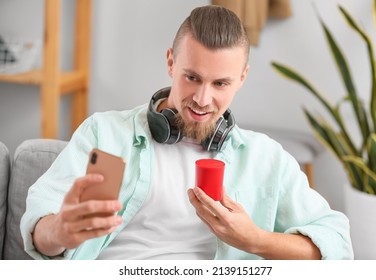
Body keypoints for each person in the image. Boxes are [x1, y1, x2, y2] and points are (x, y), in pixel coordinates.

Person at [20, 5, 353, 260]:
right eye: (191, 77)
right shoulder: (106, 135)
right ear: (170, 62)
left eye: (220, 83)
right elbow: (39, 225)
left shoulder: (265, 159)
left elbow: (336, 243)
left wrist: (253, 239)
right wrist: (61, 231)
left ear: (242, 78)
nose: (202, 99)